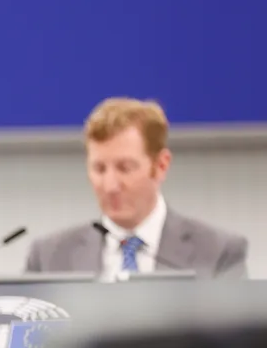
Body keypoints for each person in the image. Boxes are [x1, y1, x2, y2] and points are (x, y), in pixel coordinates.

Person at [25, 97, 248, 279]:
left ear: (160, 165)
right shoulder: (48, 258)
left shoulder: (218, 253)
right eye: (99, 169)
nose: (110, 185)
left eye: (125, 168)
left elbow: (236, 333)